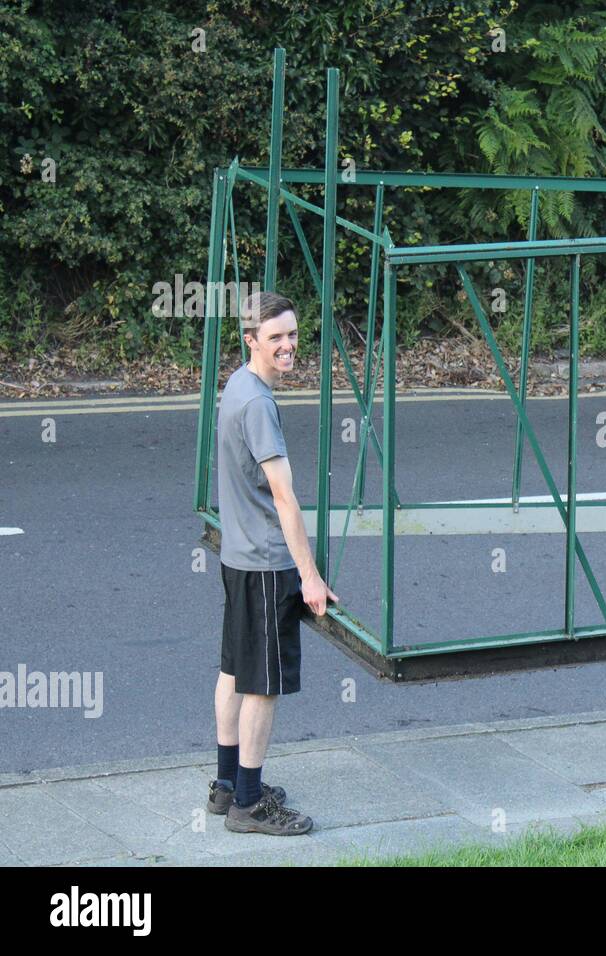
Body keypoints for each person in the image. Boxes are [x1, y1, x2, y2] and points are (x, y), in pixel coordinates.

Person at [207, 291, 337, 834]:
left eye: (292, 334)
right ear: (251, 340)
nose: (288, 345)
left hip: (237, 556)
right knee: (262, 684)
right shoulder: (258, 403)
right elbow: (284, 496)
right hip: (265, 563)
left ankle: (226, 785)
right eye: (276, 337)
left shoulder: (237, 384)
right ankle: (250, 804)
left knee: (234, 670)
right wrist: (309, 575)